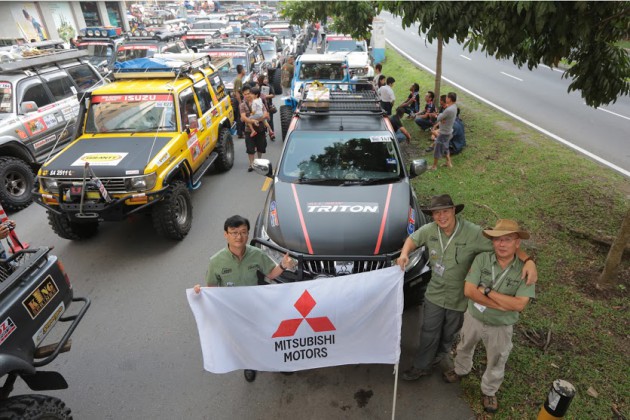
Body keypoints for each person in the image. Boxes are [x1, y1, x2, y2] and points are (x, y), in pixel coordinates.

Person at [397, 194, 537, 382]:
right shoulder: (429, 230)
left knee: (449, 333)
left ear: (454, 210)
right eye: (436, 213)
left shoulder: (472, 232)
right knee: (429, 331)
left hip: (459, 298)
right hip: (435, 293)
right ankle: (421, 366)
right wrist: (405, 254)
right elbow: (412, 239)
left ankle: (439, 356)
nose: (441, 217)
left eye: (445, 211)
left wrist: (528, 260)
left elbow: (502, 244)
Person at [443, 219, 535, 414]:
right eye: (497, 240)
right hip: (474, 317)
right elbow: (469, 290)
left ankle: (489, 391)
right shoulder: (483, 259)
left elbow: (519, 304)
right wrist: (501, 303)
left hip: (501, 325)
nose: (501, 244)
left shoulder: (524, 270)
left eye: (507, 240)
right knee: (464, 345)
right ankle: (460, 370)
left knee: (497, 358)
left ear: (517, 243)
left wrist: (486, 291)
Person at [193, 215, 296, 382]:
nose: (238, 237)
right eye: (233, 233)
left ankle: (277, 363)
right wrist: (199, 292)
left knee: (268, 334)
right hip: (234, 311)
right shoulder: (216, 261)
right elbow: (212, 289)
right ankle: (250, 364)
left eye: (242, 232)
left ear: (248, 234)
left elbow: (271, 273)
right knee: (245, 339)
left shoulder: (256, 254)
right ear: (226, 235)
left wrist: (284, 265)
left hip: (257, 306)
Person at [240, 84, 270, 172]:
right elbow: (243, 117)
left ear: (252, 93)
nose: (247, 96)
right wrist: (252, 121)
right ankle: (251, 164)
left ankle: (259, 162)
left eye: (248, 93)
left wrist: (256, 120)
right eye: (245, 94)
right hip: (248, 130)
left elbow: (265, 114)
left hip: (260, 128)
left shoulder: (259, 102)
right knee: (250, 148)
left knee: (261, 147)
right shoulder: (242, 105)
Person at [429, 92, 458, 170]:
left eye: (447, 97)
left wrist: (438, 116)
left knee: (437, 149)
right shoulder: (454, 106)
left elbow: (438, 118)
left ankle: (434, 166)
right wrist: (443, 117)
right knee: (445, 147)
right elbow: (443, 117)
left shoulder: (449, 110)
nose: (446, 99)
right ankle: (449, 163)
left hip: (444, 133)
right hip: (448, 131)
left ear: (450, 99)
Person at [232, 64, 246, 139]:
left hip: (239, 99)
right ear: (241, 71)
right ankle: (240, 133)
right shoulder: (238, 80)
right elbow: (237, 92)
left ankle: (241, 132)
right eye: (244, 69)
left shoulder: (239, 80)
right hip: (238, 100)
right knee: (240, 116)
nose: (245, 71)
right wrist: (240, 102)